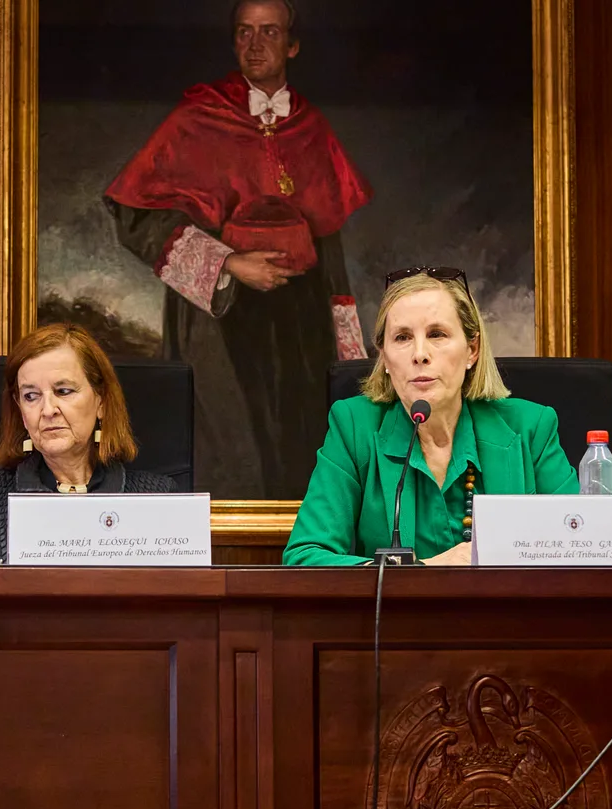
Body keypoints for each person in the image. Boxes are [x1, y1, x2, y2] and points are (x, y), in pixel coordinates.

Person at [103, 0, 372, 500]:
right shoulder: (198, 118)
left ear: (292, 44)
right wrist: (228, 263)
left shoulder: (311, 128)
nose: (255, 45)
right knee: (229, 451)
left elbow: (328, 238)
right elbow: (135, 213)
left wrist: (349, 349)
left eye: (269, 33)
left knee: (301, 444)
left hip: (300, 319)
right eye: (244, 32)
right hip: (218, 313)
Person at [283, 269, 577, 566]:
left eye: (437, 334)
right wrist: (424, 571)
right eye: (402, 337)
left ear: (471, 351)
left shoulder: (531, 428)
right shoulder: (354, 427)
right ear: (384, 357)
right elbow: (304, 558)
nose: (420, 354)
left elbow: (581, 550)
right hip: (394, 614)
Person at [0, 324, 179, 564]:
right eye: (31, 396)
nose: (48, 410)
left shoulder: (157, 497)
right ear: (20, 411)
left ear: (100, 401)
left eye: (63, 391)